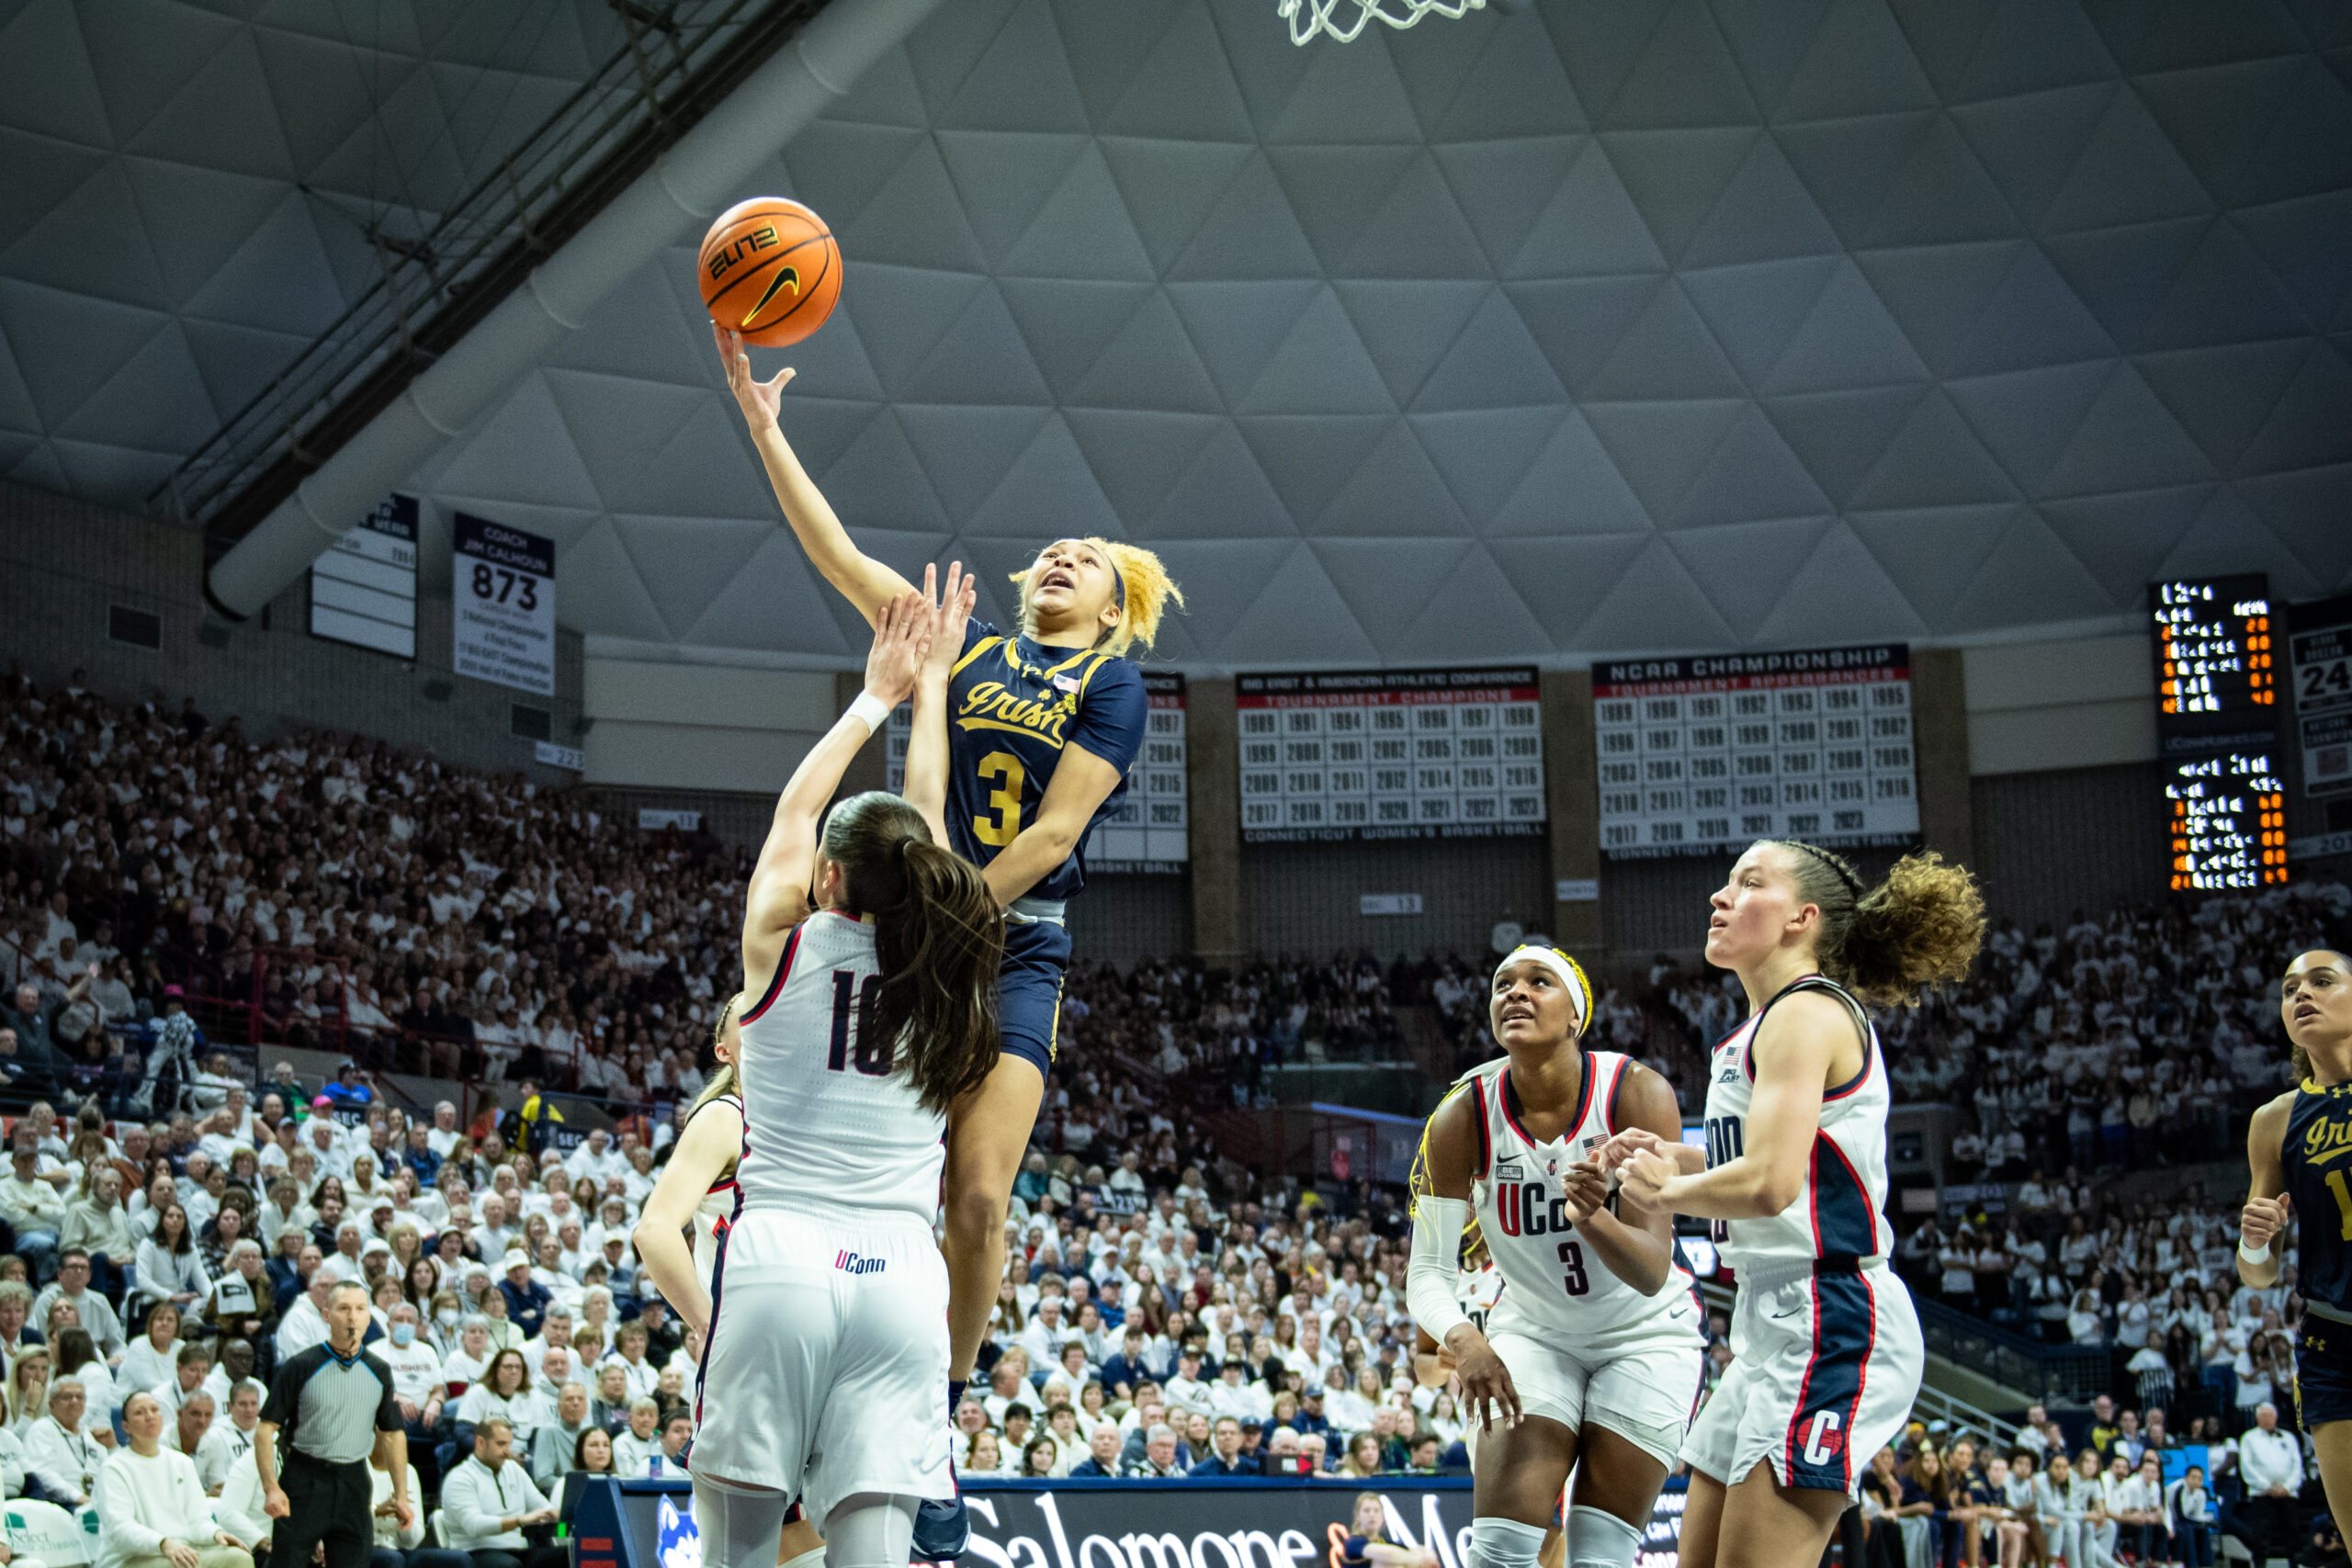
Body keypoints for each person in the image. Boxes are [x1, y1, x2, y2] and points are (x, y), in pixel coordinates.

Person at [717, 329, 1184, 1451]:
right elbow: (838, 557)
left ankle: (942, 1406)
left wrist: (946, 904)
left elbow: (1060, 827)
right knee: (827, 1133)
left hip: (1013, 946)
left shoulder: (1111, 682)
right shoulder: (961, 654)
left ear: (1116, 607)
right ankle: (808, 1372)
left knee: (976, 1200)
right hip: (902, 932)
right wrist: (768, 433)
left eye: (1087, 558)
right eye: (1053, 550)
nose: (1061, 557)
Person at [684, 581, 1004, 1568]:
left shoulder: (782, 939)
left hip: (780, 1259)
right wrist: (936, 689)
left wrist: (877, 694)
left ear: (828, 878)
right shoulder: (946, 964)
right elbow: (923, 827)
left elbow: (797, 808)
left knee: (737, 1554)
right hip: (902, 1281)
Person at [1613, 841, 1984, 1568]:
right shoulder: (1753, 1030)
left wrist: (1670, 1191)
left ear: (1801, 918)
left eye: (1749, 883)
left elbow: (1772, 1185)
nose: (1720, 897)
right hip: (1769, 1320)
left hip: (1833, 1313)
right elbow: (1764, 1165)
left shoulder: (1807, 1014)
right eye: (1726, 882)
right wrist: (1665, 1160)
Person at [1408, 942, 1703, 1568]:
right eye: (1503, 984)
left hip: (1645, 1334)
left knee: (1597, 1557)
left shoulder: (1637, 1091)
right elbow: (1428, 1273)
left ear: (1576, 1017)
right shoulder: (1461, 1117)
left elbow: (1651, 1270)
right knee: (1500, 1554)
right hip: (1536, 1333)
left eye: (1539, 981)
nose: (1516, 992)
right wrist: (1465, 1340)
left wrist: (1592, 1218)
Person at [630, 999, 827, 1563]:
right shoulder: (725, 1116)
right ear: (726, 1050)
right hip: (748, 1365)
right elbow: (655, 1231)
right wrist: (710, 1324)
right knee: (752, 1545)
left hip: (809, 1359)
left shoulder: (803, 1125)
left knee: (809, 1539)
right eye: (750, 1017)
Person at [2239, 950, 2352, 1542]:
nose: (2301, 994)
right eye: (2289, 989)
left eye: (2321, 981)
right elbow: (2258, 1274)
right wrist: (2258, 1241)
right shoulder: (2275, 1120)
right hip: (2333, 1343)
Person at [255, 1280, 413, 1568]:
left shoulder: (380, 1370)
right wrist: (271, 1488)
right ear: (327, 1315)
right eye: (343, 1308)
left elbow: (392, 1435)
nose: (352, 1316)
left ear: (369, 1317)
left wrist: (401, 1494)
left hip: (354, 1481)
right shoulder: (301, 1365)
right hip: (305, 1478)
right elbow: (265, 1431)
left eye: (359, 1309)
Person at [94, 1391, 252, 1568]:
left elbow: (198, 1518)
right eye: (139, 1412)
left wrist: (215, 1533)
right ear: (126, 1427)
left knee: (239, 1558)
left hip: (182, 1550)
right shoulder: (114, 1467)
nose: (149, 1416)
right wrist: (163, 1544)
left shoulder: (181, 1462)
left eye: (154, 1409)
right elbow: (120, 1528)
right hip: (132, 1558)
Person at [438, 1417, 562, 1568]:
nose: (508, 1452)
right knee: (510, 1565)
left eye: (509, 1444)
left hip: (520, 1549)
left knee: (567, 1554)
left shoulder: (514, 1469)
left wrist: (556, 1514)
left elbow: (541, 1506)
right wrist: (519, 1521)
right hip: (476, 1552)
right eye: (501, 1444)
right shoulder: (460, 1478)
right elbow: (474, 1525)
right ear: (480, 1443)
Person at [2235, 1403, 2302, 1568]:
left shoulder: (2288, 1437)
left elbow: (2297, 1465)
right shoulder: (2249, 1438)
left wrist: (2287, 1487)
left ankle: (2296, 1564)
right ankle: (2259, 1565)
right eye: (2263, 1415)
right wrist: (2267, 1486)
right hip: (2262, 1494)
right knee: (2261, 1534)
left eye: (2270, 1415)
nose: (2267, 1418)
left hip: (2287, 1493)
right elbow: (2246, 1466)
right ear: (2257, 1417)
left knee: (2292, 1531)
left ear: (2276, 1417)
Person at [1339, 1492, 1441, 1568]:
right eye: (1367, 1511)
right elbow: (1388, 1554)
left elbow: (1421, 1550)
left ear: (1382, 1517)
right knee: (1387, 1563)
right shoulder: (1353, 1542)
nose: (1372, 1515)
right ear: (1358, 1516)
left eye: (1376, 1511)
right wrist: (1420, 1561)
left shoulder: (1386, 1542)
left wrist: (1429, 1556)